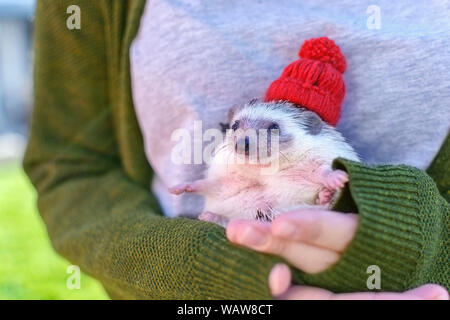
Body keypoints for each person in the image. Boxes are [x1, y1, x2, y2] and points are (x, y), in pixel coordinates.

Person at [24, 0, 448, 299]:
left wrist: (421, 248)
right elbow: (71, 166)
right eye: (239, 127)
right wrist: (190, 270)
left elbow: (326, 170)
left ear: (308, 130)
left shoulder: (315, 149)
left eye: (267, 131)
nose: (244, 139)